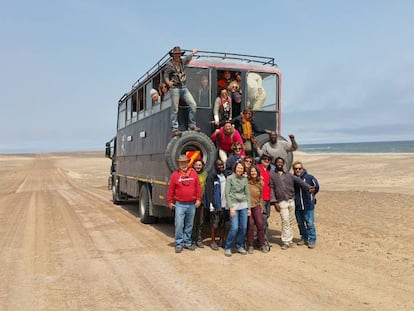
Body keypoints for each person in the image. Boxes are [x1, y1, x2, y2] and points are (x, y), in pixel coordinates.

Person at [269, 157, 315, 250]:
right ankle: (285, 241)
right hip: (281, 201)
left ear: (283, 164)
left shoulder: (289, 175)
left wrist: (308, 187)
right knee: (285, 221)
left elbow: (300, 182)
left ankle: (289, 240)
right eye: (278, 162)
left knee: (290, 221)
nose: (279, 163)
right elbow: (272, 189)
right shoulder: (272, 175)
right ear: (275, 164)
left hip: (291, 200)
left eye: (281, 162)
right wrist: (274, 202)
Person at [167, 154, 202, 253]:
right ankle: (178, 243)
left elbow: (198, 187)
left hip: (191, 204)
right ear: (179, 164)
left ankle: (187, 242)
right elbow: (171, 190)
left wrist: (198, 199)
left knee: (189, 225)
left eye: (185, 162)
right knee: (179, 224)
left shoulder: (193, 173)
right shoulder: (175, 175)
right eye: (181, 162)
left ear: (188, 162)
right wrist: (169, 201)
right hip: (180, 204)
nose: (183, 164)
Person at [164, 46, 200, 136]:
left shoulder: (182, 62)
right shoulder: (169, 64)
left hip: (183, 87)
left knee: (193, 104)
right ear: (173, 55)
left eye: (178, 54)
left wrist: (193, 53)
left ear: (180, 54)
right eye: (176, 54)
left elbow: (188, 58)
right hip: (175, 88)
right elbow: (166, 75)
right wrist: (168, 82)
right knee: (175, 109)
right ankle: (175, 129)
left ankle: (192, 124)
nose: (177, 55)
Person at [224, 161, 251, 257]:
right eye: (238, 167)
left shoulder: (244, 179)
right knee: (234, 227)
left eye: (241, 168)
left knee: (243, 227)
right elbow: (227, 193)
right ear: (235, 168)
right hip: (234, 205)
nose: (239, 169)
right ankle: (228, 247)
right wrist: (231, 208)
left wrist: (249, 208)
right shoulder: (230, 178)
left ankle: (240, 246)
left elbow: (247, 193)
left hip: (243, 204)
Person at [292, 161, 320, 249]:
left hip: (308, 205)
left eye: (299, 168)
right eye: (296, 169)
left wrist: (312, 196)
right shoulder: (293, 179)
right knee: (300, 223)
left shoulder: (309, 177)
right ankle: (304, 237)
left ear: (302, 168)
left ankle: (312, 239)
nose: (298, 170)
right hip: (298, 205)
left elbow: (316, 187)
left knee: (310, 223)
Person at [204, 159, 228, 250]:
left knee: (223, 224)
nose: (221, 167)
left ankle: (222, 240)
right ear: (215, 166)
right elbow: (209, 191)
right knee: (214, 224)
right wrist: (210, 204)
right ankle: (213, 241)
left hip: (224, 204)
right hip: (215, 204)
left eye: (222, 165)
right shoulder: (211, 176)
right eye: (219, 165)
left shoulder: (225, 175)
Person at [246, 166, 268, 254]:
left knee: (260, 223)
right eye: (251, 171)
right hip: (248, 206)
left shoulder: (260, 182)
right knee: (250, 224)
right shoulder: (246, 181)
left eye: (255, 171)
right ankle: (250, 245)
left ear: (257, 172)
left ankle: (262, 244)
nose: (253, 173)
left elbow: (261, 195)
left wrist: (261, 205)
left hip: (257, 205)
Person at [191, 159, 208, 248]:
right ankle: (192, 240)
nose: (198, 167)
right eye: (197, 165)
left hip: (201, 201)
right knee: (192, 221)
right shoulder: (190, 174)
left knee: (200, 221)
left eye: (200, 165)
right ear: (193, 165)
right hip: (191, 202)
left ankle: (198, 238)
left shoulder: (205, 174)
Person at [256, 154, 272, 243]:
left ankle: (261, 239)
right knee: (263, 219)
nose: (266, 160)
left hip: (268, 198)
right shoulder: (257, 168)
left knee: (266, 218)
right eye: (264, 159)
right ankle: (263, 240)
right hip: (260, 199)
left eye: (268, 159)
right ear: (261, 160)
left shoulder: (269, 171)